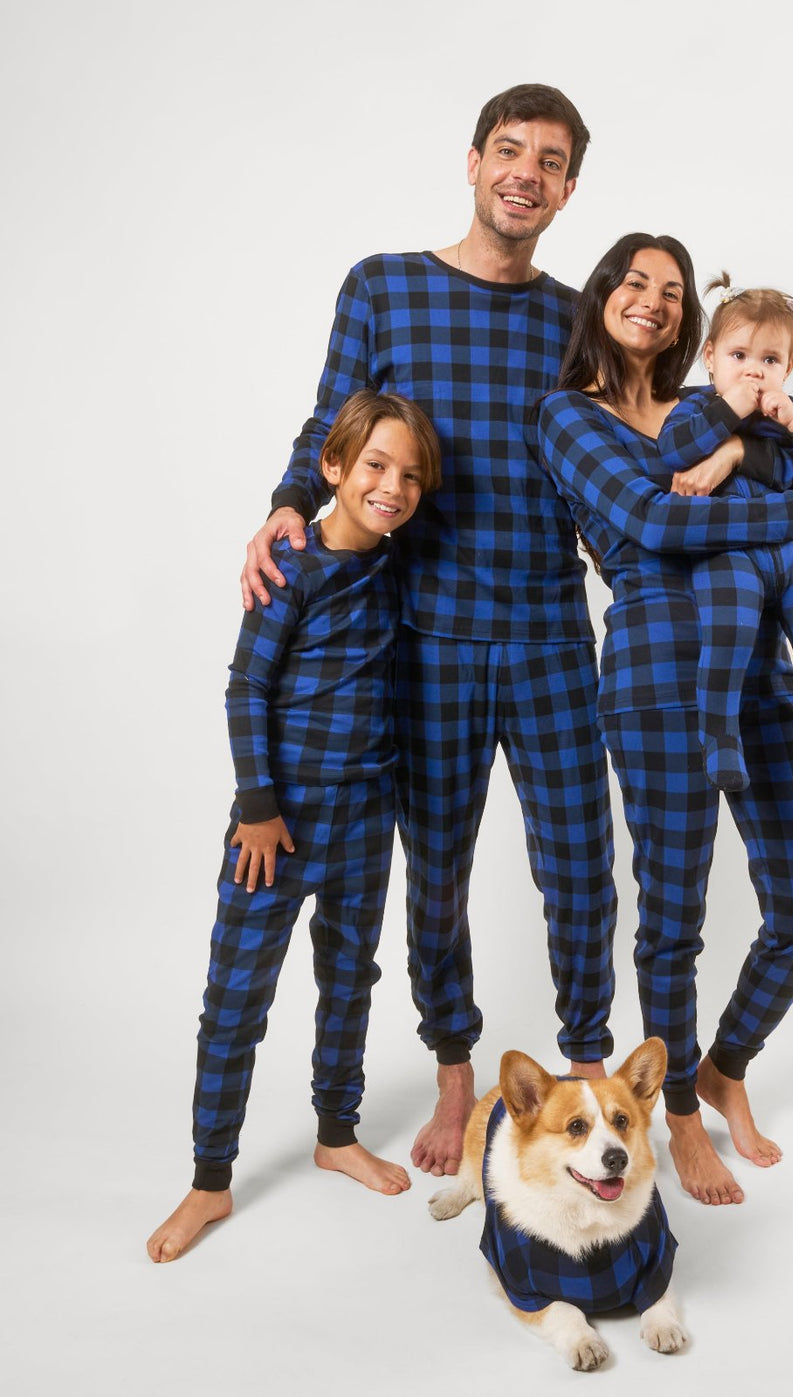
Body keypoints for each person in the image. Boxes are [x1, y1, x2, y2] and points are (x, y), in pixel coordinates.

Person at [239, 85, 617, 1179]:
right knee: (437, 870)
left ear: (567, 189)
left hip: (550, 634)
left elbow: (639, 441)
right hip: (426, 636)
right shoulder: (386, 288)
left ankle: (584, 1067)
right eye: (511, 151)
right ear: (473, 161)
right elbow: (332, 420)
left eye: (549, 162)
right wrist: (282, 503)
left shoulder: (574, 319)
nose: (526, 174)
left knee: (582, 868)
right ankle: (458, 1066)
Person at [536, 234, 793, 1206]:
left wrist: (766, 473)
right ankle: (676, 1113)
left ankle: (726, 1067)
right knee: (674, 918)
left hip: (764, 673)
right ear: (605, 296)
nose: (656, 301)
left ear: (694, 325)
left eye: (673, 291)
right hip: (658, 682)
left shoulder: (705, 410)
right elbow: (655, 524)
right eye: (638, 283)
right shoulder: (568, 416)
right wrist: (787, 517)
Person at [147, 391, 441, 1262]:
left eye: (412, 476)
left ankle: (335, 1130)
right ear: (334, 470)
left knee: (350, 979)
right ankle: (209, 1180)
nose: (393, 487)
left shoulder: (391, 567)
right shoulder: (291, 567)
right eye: (377, 467)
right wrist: (259, 809)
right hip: (274, 828)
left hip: (365, 817)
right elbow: (245, 691)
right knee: (235, 1002)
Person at [656, 273, 793, 796]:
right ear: (710, 357)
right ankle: (720, 736)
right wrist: (733, 416)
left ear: (788, 368)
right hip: (728, 552)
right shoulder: (698, 409)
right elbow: (676, 452)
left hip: (791, 555)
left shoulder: (786, 419)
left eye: (770, 361)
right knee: (730, 633)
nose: (754, 371)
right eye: (739, 356)